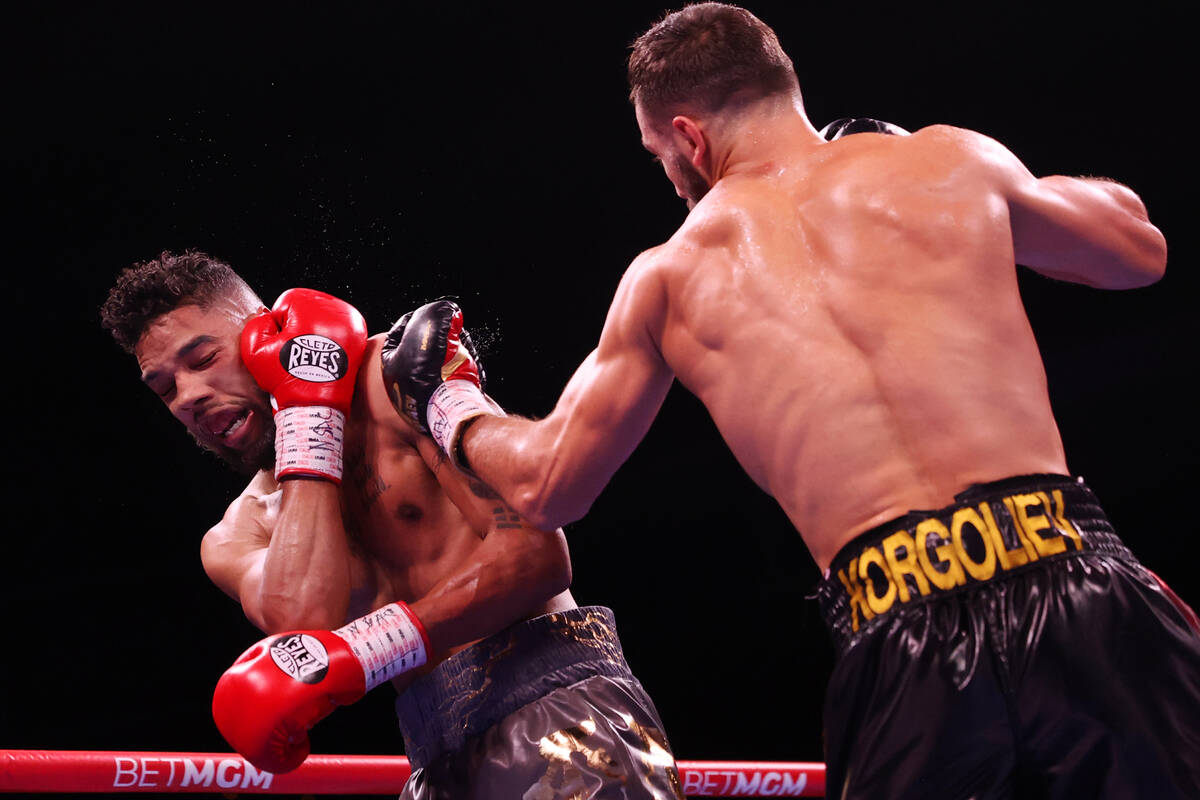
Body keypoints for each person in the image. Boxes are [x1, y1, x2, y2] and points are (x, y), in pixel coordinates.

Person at [382, 4, 1200, 798]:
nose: (670, 180)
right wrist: (925, 156)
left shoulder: (670, 275)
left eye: (657, 155)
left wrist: (450, 404)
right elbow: (1138, 247)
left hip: (903, 624)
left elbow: (548, 482)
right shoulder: (947, 162)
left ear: (688, 139)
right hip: (1070, 568)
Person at [100, 251, 683, 799]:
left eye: (204, 359)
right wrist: (309, 416)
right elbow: (307, 628)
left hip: (555, 702)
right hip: (432, 753)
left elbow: (536, 556)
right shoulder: (236, 536)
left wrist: (367, 651)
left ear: (265, 330)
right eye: (165, 388)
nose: (188, 397)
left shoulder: (394, 378)